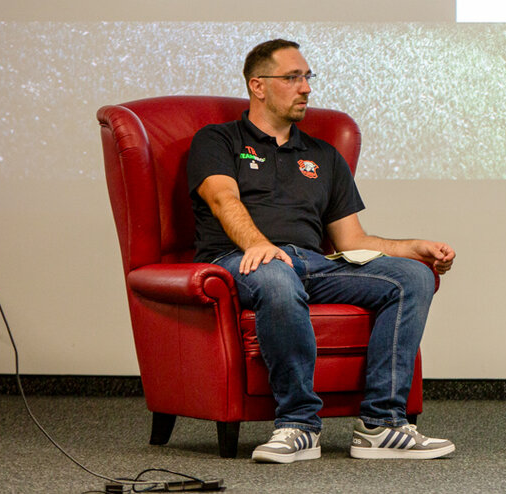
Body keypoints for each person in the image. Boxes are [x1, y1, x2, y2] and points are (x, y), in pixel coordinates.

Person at [187, 39, 456, 463]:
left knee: (412, 276)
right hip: (239, 260)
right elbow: (223, 200)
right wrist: (259, 244)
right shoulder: (218, 139)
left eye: (307, 77)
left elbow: (352, 241)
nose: (305, 88)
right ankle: (298, 425)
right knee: (276, 275)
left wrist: (412, 248)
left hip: (312, 263)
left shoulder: (323, 156)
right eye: (292, 77)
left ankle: (382, 425)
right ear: (258, 86)